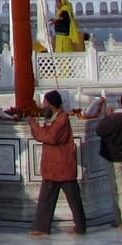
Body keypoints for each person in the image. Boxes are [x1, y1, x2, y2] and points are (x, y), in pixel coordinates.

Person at [27, 89, 87, 236]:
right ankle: (41, 228)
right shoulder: (54, 118)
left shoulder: (62, 119)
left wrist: (34, 126)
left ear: (51, 104)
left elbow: (51, 137)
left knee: (74, 199)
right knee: (46, 199)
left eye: (45, 103)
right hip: (54, 166)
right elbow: (45, 135)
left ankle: (80, 227)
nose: (43, 106)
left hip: (62, 166)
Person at [89, 90, 122, 229]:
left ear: (121, 102)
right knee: (116, 188)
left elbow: (100, 129)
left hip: (114, 156)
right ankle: (120, 219)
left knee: (121, 189)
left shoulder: (117, 118)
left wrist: (109, 116)